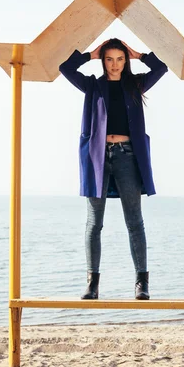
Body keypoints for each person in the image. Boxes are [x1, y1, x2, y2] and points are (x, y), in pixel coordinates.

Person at [59, 38, 168, 301]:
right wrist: (89, 55)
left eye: (120, 59)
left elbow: (161, 68)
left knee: (134, 222)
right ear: (103, 60)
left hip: (127, 156)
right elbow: (65, 68)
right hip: (97, 157)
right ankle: (92, 284)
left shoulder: (135, 84)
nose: (115, 65)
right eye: (109, 59)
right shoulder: (93, 85)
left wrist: (140, 54)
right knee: (94, 223)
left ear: (125, 60)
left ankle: (141, 284)